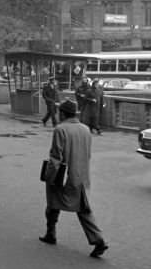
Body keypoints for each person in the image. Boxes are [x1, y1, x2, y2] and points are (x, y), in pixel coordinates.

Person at [39, 99, 108, 257]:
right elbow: (88, 154)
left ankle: (51, 233)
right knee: (83, 210)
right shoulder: (85, 129)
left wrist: (49, 177)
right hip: (81, 176)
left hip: (63, 176)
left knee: (52, 204)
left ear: (63, 113)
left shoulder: (60, 129)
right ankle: (99, 240)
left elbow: (56, 157)